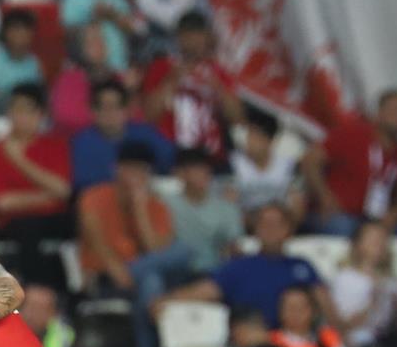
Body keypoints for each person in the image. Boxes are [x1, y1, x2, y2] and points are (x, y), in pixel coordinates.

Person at [77, 141, 190, 347]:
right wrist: (117, 269)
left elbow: (155, 249)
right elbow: (96, 240)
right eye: (131, 168)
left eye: (142, 170)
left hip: (138, 280)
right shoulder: (94, 197)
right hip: (105, 277)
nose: (136, 176)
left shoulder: (155, 205)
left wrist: (140, 208)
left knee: (172, 263)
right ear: (117, 169)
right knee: (155, 279)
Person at [176, 203, 330, 329]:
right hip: (254, 342)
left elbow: (326, 306)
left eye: (277, 224)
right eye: (265, 224)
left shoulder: (302, 266)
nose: (271, 230)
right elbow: (206, 290)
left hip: (296, 342)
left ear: (288, 230)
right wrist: (166, 300)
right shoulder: (239, 267)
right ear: (256, 230)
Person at [0, 83, 73, 286]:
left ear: (40, 114)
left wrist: (20, 160)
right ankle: (37, 293)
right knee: (28, 228)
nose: (21, 116)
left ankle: (82, 293)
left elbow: (64, 190)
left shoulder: (55, 146)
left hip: (55, 218)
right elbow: (3, 202)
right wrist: (47, 196)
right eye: (16, 109)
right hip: (15, 223)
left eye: (28, 110)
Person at [303, 89, 397, 237]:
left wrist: (396, 213)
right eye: (393, 110)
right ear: (379, 114)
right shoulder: (352, 134)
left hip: (379, 220)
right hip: (342, 214)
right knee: (341, 226)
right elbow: (310, 160)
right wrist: (324, 196)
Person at [141, 12, 241, 162]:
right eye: (187, 35)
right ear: (178, 38)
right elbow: (149, 115)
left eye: (198, 35)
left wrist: (218, 89)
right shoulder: (161, 68)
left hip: (211, 157)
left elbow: (237, 118)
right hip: (172, 155)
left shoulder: (218, 72)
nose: (193, 41)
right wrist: (172, 80)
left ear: (207, 37)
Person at [71, 78, 173, 190]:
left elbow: (173, 163)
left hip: (148, 195)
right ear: (92, 111)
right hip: (102, 201)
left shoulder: (146, 133)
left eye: (116, 106)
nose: (109, 112)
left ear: (127, 110)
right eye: (102, 106)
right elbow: (86, 186)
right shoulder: (82, 143)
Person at [166, 146, 245, 276]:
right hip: (175, 272)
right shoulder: (166, 204)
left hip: (213, 273)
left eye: (206, 168)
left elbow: (233, 249)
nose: (204, 173)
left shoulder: (227, 208)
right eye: (196, 168)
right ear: (180, 174)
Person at [328, 220, 397, 347]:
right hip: (355, 344)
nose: (379, 243)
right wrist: (372, 302)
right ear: (358, 244)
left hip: (385, 344)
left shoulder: (391, 282)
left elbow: (389, 322)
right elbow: (341, 325)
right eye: (373, 238)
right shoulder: (346, 278)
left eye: (382, 238)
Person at [230, 108, 304, 225]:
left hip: (280, 224)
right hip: (247, 224)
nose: (249, 141)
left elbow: (298, 207)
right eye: (248, 136)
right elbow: (229, 205)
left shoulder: (287, 167)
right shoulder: (234, 164)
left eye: (255, 137)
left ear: (268, 141)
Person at [0, 10, 45, 101]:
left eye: (26, 30)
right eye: (16, 29)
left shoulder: (35, 63)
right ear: (5, 33)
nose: (21, 35)